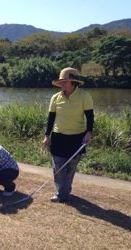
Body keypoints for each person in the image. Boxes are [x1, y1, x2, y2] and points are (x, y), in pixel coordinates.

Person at [43, 67, 94, 203]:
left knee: (71, 167)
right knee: (58, 167)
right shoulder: (56, 97)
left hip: (77, 137)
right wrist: (47, 135)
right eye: (61, 82)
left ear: (73, 82)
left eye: (64, 82)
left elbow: (90, 117)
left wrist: (89, 133)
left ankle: (65, 191)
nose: (62, 85)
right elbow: (51, 118)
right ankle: (62, 194)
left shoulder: (85, 96)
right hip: (59, 137)